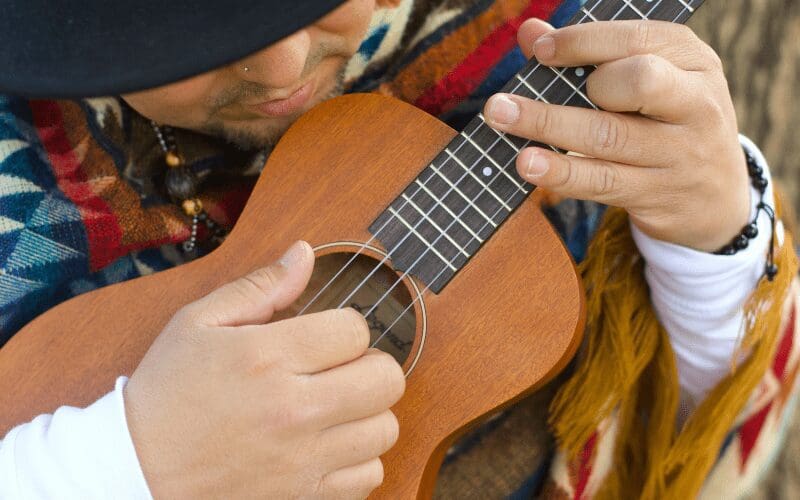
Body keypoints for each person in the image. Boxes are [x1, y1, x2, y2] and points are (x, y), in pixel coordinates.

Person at [0, 0, 797, 498]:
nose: (283, 66)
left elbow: (671, 427)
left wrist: (712, 235)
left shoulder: (548, 38)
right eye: (190, 22)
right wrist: (124, 465)